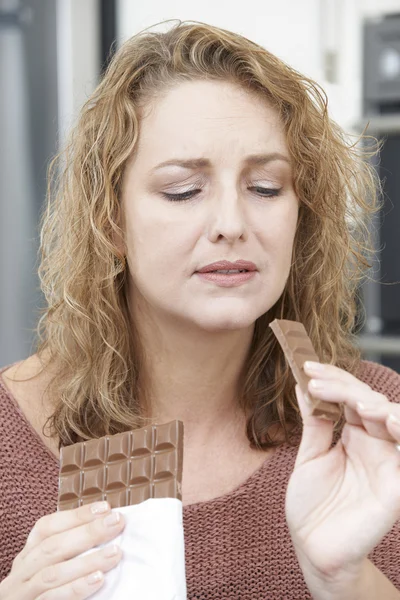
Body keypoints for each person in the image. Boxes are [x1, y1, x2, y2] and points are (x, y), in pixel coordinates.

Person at [1, 19, 400, 600]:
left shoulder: (377, 425)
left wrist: (346, 581)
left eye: (265, 188)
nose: (232, 226)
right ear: (110, 221)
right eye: (183, 191)